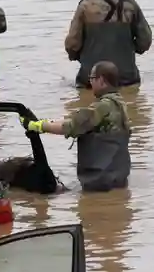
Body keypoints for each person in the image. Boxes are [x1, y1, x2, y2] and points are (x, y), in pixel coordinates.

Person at [20, 61, 131, 192]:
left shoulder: (102, 107)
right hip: (119, 178)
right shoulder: (120, 103)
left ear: (101, 80)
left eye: (92, 78)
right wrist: (45, 123)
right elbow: (76, 122)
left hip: (99, 181)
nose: (90, 83)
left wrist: (39, 126)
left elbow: (70, 127)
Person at [64, 0, 152, 88]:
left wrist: (77, 56)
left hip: (92, 79)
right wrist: (130, 49)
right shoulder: (131, 6)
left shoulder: (85, 6)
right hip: (126, 77)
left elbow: (72, 43)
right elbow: (145, 41)